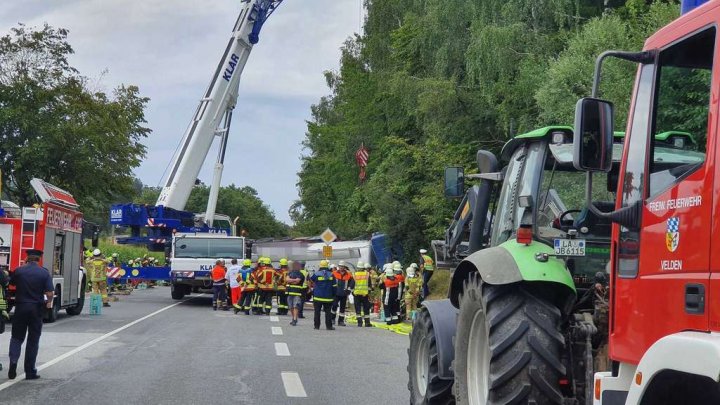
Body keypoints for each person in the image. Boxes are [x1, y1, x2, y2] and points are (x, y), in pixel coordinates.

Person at [7, 249, 54, 380]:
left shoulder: (19, 270)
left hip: (21, 307)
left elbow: (11, 284)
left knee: (16, 338)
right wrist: (49, 302)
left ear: (27, 257)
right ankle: (30, 372)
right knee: (33, 340)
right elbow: (50, 293)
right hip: (36, 309)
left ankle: (13, 363)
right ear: (39, 259)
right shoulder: (44, 273)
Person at [309, 260, 336, 330]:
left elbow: (310, 280)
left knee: (317, 312)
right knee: (328, 312)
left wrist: (312, 290)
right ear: (327, 266)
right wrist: (334, 295)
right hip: (328, 297)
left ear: (320, 266)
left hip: (318, 297)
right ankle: (329, 326)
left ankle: (316, 326)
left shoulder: (317, 274)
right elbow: (334, 286)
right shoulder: (331, 274)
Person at [331, 261, 355, 326]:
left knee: (342, 308)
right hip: (336, 293)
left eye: (342, 266)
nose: (341, 267)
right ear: (338, 266)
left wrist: (349, 290)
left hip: (344, 293)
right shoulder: (334, 273)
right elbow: (330, 282)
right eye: (340, 266)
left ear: (344, 267)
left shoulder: (348, 274)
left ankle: (341, 321)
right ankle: (332, 319)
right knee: (334, 306)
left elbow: (352, 283)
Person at [352, 262, 373, 327]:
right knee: (366, 309)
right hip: (365, 295)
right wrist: (368, 293)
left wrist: (353, 293)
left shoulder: (354, 274)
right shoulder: (367, 274)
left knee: (358, 309)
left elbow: (352, 285)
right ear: (363, 268)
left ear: (358, 268)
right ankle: (367, 323)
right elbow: (369, 286)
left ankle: (359, 323)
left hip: (357, 294)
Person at [286, 262, 305, 326]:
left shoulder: (301, 274)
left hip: (297, 293)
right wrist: (293, 280)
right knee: (290, 307)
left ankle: (294, 319)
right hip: (289, 292)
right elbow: (287, 280)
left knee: (295, 306)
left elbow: (298, 281)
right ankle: (294, 318)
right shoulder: (290, 273)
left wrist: (290, 280)